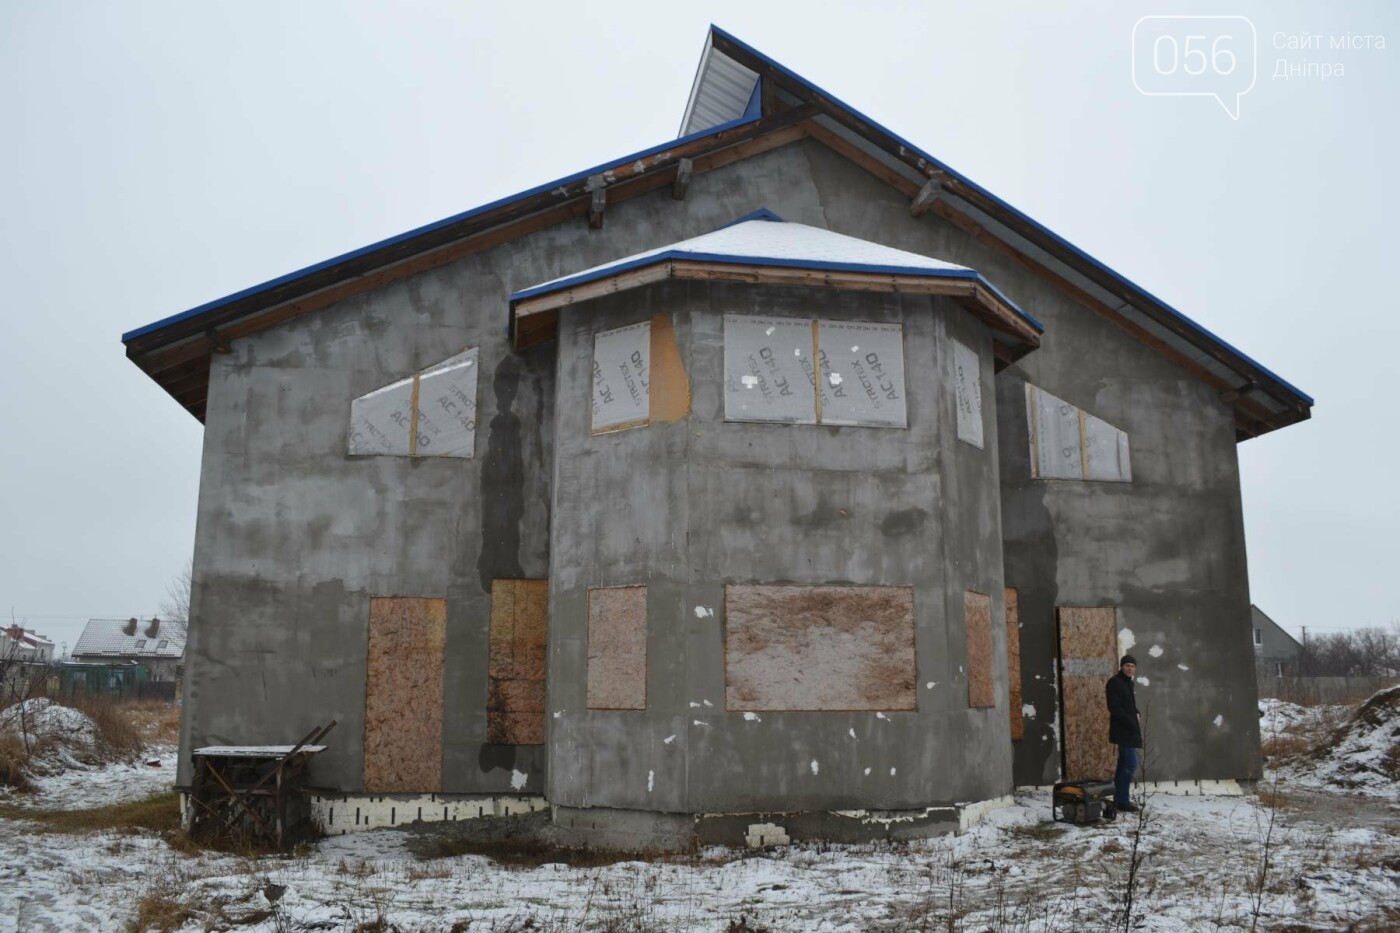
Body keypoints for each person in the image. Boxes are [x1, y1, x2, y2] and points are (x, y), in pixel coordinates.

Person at [1106, 653, 1142, 813]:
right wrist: (1131, 721)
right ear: (1121, 666)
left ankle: (1120, 799)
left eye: (1133, 666)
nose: (1130, 668)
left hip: (1130, 729)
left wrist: (1136, 711)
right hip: (1123, 730)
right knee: (1130, 763)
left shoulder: (1128, 683)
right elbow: (1114, 708)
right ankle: (1123, 800)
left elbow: (1128, 705)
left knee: (1123, 765)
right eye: (1127, 665)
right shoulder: (1114, 682)